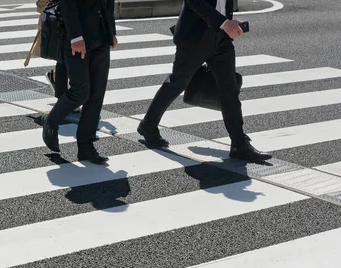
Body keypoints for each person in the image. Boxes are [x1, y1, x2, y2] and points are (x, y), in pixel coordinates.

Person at [136, 0, 272, 162]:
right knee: (177, 83)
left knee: (229, 89)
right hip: (195, 37)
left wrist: (227, 23)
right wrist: (225, 22)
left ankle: (239, 144)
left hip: (221, 37)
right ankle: (148, 125)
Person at [42, 0, 117, 165]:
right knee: (80, 91)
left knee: (97, 93)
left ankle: (86, 146)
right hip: (77, 37)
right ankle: (52, 120)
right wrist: (75, 36)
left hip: (102, 35)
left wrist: (111, 30)